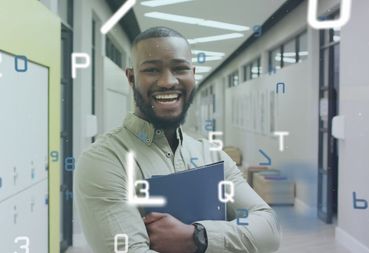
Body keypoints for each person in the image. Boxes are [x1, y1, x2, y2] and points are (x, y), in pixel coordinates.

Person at [75, 26, 281, 253]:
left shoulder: (210, 154)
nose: (167, 81)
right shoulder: (105, 160)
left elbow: (269, 231)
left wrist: (197, 237)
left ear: (193, 74)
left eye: (180, 68)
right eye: (152, 70)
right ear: (131, 78)